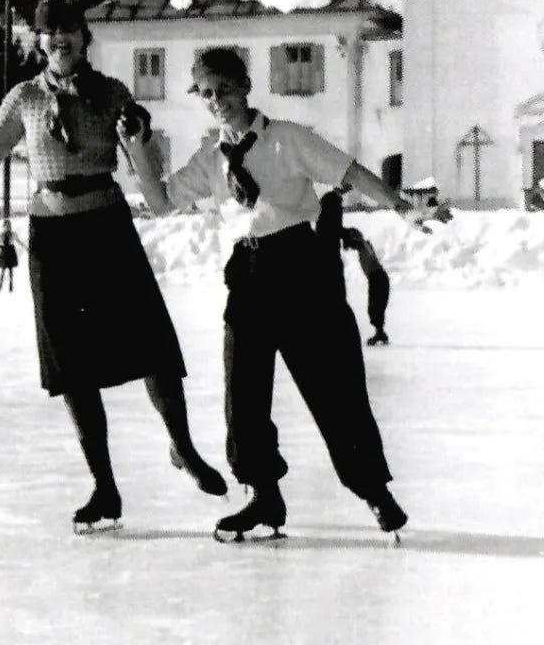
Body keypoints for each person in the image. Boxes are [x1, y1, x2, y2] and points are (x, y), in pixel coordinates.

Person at [0, 0, 227, 532]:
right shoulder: (23, 100)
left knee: (152, 346)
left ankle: (182, 447)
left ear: (83, 37)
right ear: (38, 42)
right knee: (73, 369)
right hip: (53, 239)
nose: (59, 40)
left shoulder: (112, 93)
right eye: (49, 33)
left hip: (108, 229)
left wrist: (137, 139)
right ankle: (105, 488)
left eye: (68, 30)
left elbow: (146, 170)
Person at [119, 47, 410, 541]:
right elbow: (161, 203)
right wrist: (137, 150)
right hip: (247, 276)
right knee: (244, 396)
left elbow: (351, 175)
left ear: (245, 87)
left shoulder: (289, 139)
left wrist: (403, 205)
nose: (218, 101)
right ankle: (263, 496)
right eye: (207, 94)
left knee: (333, 388)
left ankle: (374, 491)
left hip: (300, 268)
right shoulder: (211, 159)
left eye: (225, 90)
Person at [317, 189, 391, 346]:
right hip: (377, 277)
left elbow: (349, 239)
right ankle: (380, 333)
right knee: (375, 308)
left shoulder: (363, 245)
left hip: (377, 277)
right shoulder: (363, 244)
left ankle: (380, 333)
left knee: (374, 308)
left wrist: (349, 236)